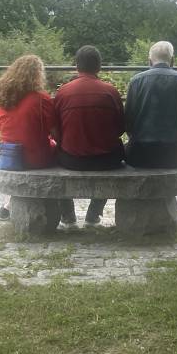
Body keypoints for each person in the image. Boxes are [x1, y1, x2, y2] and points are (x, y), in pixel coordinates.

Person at [125, 41, 177, 221]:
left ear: (149, 61)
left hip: (140, 155)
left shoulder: (136, 81)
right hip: (176, 154)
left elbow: (128, 122)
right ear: (172, 60)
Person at [54, 45, 125, 229]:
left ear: (76, 66)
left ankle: (68, 217)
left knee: (54, 154)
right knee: (119, 150)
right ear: (99, 66)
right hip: (106, 161)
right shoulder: (111, 91)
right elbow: (120, 129)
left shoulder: (63, 92)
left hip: (71, 160)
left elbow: (56, 130)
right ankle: (93, 216)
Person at [0, 54, 56, 220]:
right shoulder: (41, 99)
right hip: (36, 159)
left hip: (10, 159)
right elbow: (54, 130)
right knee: (59, 151)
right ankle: (68, 215)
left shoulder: (4, 99)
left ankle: (6, 205)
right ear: (37, 75)